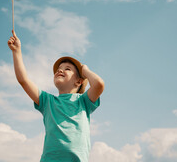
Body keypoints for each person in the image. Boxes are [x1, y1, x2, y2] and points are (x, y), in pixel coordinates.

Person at [8, 30, 105, 162]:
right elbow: (23, 81)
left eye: (67, 69)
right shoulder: (47, 101)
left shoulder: (83, 101)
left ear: (79, 81)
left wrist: (85, 70)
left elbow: (99, 84)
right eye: (59, 68)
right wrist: (17, 52)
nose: (60, 70)